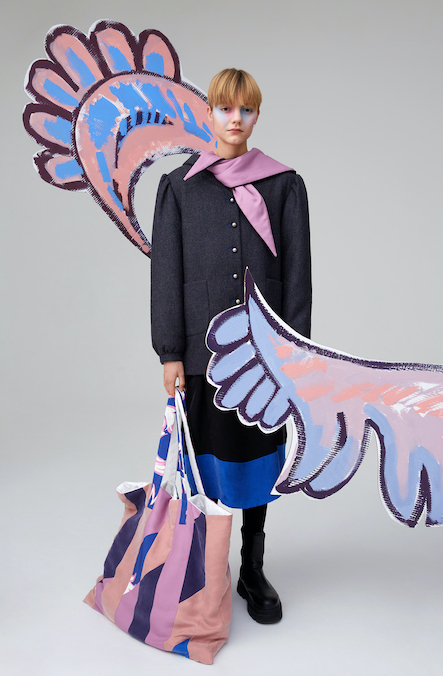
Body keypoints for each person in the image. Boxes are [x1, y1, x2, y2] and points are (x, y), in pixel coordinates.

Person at [151, 69, 311, 624]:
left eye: (246, 109)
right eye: (225, 108)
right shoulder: (178, 187)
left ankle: (252, 568)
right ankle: (208, 567)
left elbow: (297, 275)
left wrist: (294, 353)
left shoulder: (284, 185)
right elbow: (166, 274)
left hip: (263, 357)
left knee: (257, 461)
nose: (235, 119)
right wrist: (170, 351)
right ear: (209, 113)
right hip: (202, 353)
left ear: (257, 116)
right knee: (208, 463)